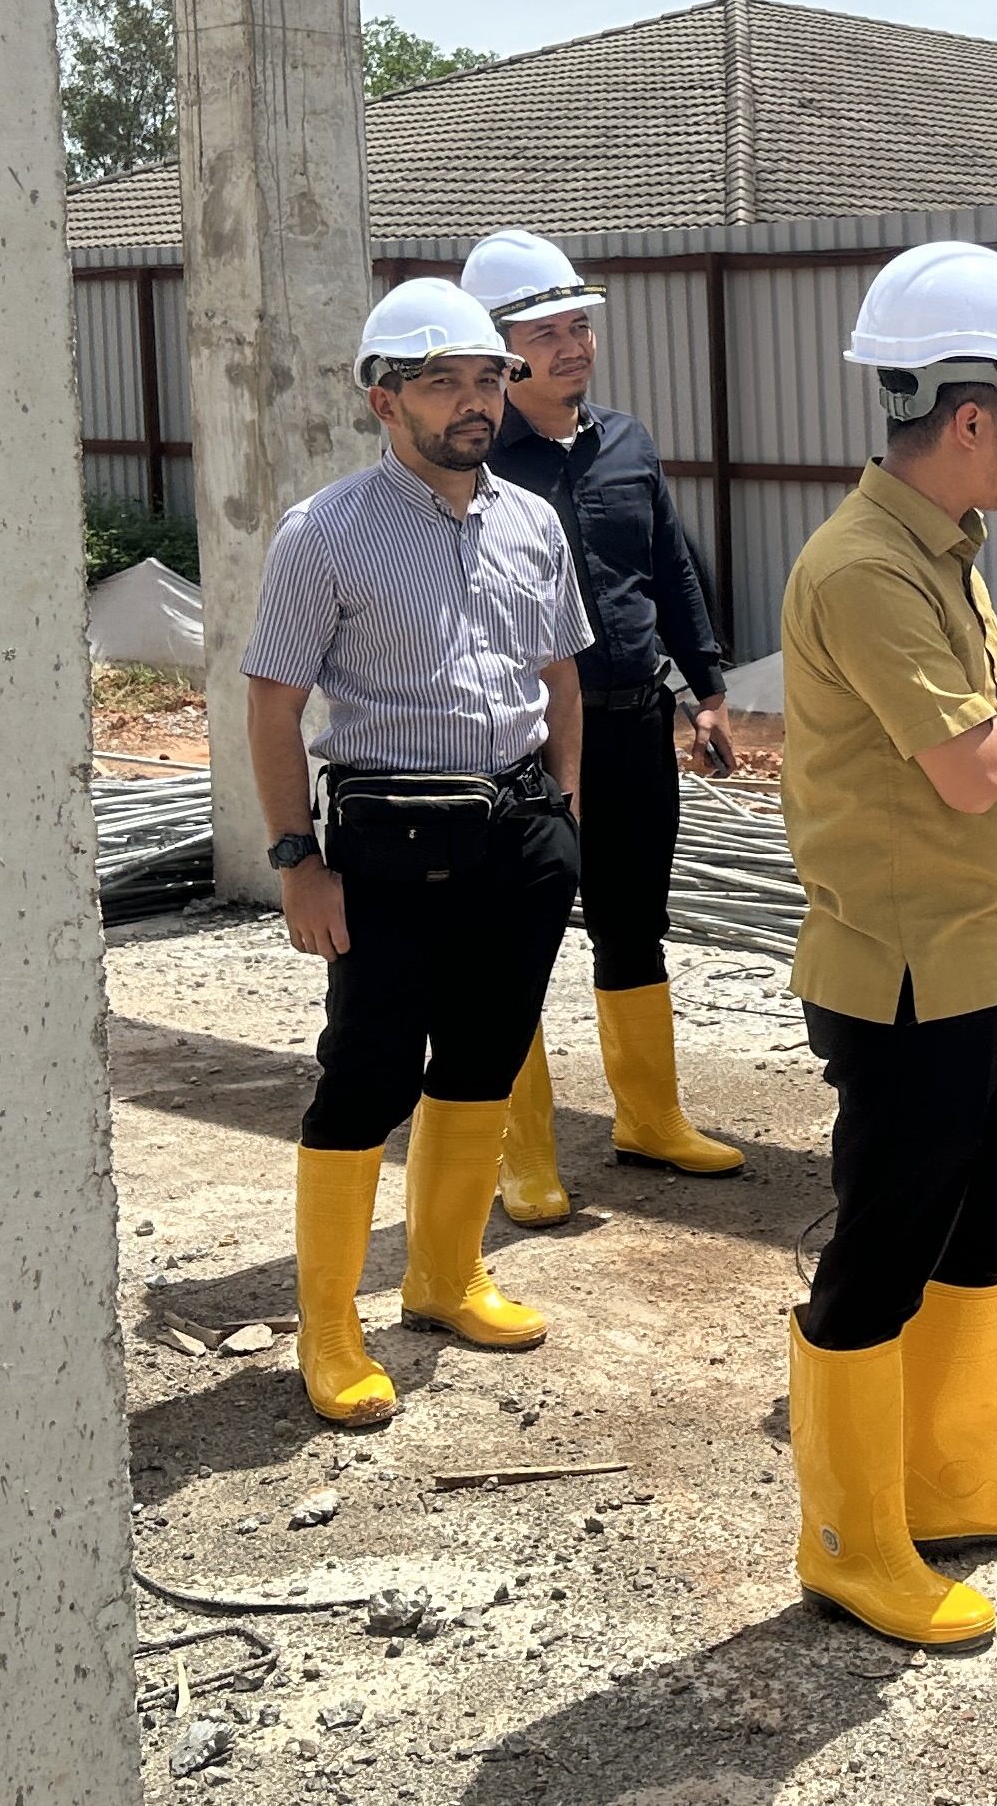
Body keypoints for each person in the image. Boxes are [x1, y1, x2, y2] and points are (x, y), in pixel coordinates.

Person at [775, 240, 997, 1649]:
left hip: (993, 959)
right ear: (970, 418)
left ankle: (955, 1475)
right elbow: (974, 769)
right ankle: (852, 1538)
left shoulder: (945, 552)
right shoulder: (862, 568)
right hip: (907, 978)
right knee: (886, 1244)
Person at [240, 279, 592, 1427]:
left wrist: (565, 819)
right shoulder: (325, 534)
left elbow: (561, 679)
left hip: (521, 832)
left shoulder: (532, 522)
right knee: (371, 1069)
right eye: (442, 382)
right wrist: (299, 859)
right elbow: (274, 704)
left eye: (487, 378)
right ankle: (331, 1324)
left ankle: (443, 1278)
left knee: (485, 1056)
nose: (473, 402)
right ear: (384, 403)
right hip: (391, 842)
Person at [461, 228, 750, 1216]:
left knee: (635, 922)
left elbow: (670, 569)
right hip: (527, 740)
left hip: (635, 725)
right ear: (499, 355)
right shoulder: (475, 472)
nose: (575, 344)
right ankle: (523, 1155)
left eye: (580, 324)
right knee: (519, 936)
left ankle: (649, 1120)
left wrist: (706, 686)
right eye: (549, 331)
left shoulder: (625, 444)